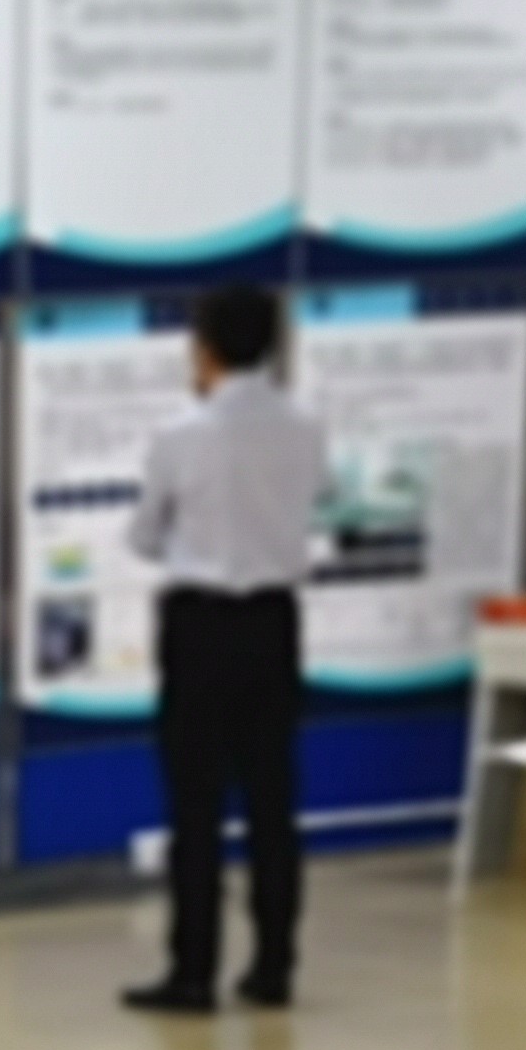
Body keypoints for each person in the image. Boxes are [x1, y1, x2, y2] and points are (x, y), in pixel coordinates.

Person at [124, 280, 325, 1013]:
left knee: (196, 806)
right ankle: (274, 967)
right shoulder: (305, 427)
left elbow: (145, 535)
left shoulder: (182, 434)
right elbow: (315, 508)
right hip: (274, 623)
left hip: (201, 628)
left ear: (203, 348)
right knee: (273, 802)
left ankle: (193, 972)